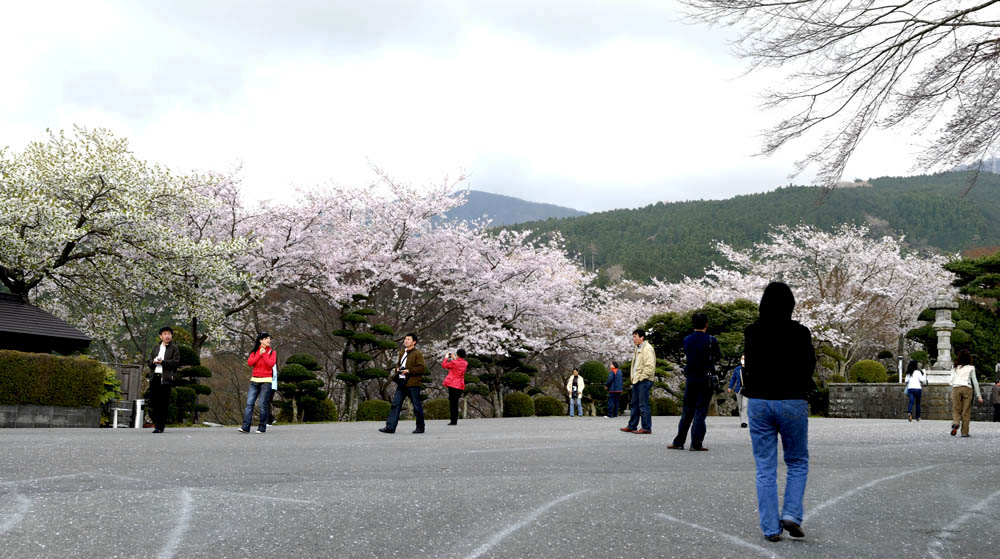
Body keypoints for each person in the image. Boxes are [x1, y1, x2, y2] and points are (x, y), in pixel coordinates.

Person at [741, 281, 816, 542]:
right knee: (797, 460)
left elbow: (748, 366)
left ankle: (770, 528)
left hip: (760, 402)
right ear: (791, 305)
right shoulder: (801, 333)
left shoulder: (751, 332)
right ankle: (792, 515)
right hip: (792, 400)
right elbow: (809, 365)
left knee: (765, 466)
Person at [669, 312, 721, 451]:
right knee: (700, 411)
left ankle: (679, 441)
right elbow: (717, 357)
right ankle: (696, 443)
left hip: (691, 378)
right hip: (705, 378)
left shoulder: (687, 340)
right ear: (706, 324)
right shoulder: (711, 340)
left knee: (687, 411)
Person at [381, 333, 427, 434]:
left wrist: (409, 371)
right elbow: (398, 363)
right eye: (405, 339)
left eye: (408, 339)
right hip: (402, 382)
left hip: (413, 383)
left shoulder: (417, 354)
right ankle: (390, 427)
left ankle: (420, 427)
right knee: (395, 404)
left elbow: (421, 368)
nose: (406, 341)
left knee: (416, 406)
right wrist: (397, 368)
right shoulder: (402, 352)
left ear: (414, 342)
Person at [240, 332, 276, 434]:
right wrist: (259, 353)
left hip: (266, 381)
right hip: (254, 380)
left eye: (269, 338)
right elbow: (250, 363)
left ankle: (262, 427)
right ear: (261, 340)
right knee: (249, 404)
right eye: (266, 338)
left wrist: (264, 353)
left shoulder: (272, 352)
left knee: (262, 405)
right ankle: (245, 427)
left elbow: (270, 364)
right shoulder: (254, 352)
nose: (269, 340)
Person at [621, 329, 655, 434]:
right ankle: (632, 425)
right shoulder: (638, 348)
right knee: (634, 404)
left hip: (643, 380)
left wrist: (641, 377)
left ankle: (646, 427)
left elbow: (650, 366)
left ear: (642, 337)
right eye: (633, 336)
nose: (633, 339)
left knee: (643, 405)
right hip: (637, 380)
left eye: (635, 336)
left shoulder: (647, 349)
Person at [147, 326, 180, 433]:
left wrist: (163, 362)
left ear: (171, 336)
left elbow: (175, 362)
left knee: (163, 402)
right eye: (165, 334)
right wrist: (153, 362)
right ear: (160, 336)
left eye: (169, 334)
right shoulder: (156, 347)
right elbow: (149, 362)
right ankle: (157, 423)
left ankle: (159, 426)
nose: (167, 336)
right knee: (154, 402)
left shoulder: (174, 348)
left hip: (165, 378)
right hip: (155, 377)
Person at [950, 349, 983, 437]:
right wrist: (979, 395)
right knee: (966, 411)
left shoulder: (954, 367)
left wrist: (953, 386)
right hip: (967, 388)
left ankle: (956, 423)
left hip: (956, 388)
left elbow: (950, 380)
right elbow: (975, 382)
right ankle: (964, 432)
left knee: (956, 409)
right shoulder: (971, 368)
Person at [441, 349, 468, 425]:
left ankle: (453, 420)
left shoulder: (454, 362)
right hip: (460, 385)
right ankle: (454, 419)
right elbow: (459, 363)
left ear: (458, 354)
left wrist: (446, 358)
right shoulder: (465, 363)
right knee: (455, 402)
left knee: (453, 403)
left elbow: (444, 365)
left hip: (453, 384)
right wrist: (454, 358)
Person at [727, 355, 748, 428]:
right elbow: (733, 379)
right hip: (738, 389)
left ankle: (745, 422)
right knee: (740, 406)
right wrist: (730, 387)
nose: (743, 360)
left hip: (747, 390)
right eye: (742, 358)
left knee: (745, 405)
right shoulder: (737, 369)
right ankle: (742, 420)